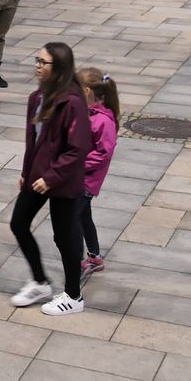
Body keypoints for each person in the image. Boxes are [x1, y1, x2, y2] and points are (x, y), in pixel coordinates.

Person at [8, 42, 92, 316]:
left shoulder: (72, 102)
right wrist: (25, 170)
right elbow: (32, 140)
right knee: (19, 223)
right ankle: (41, 282)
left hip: (62, 181)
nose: (37, 65)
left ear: (59, 68)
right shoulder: (37, 97)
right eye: (37, 60)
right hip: (37, 176)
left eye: (43, 62)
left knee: (65, 237)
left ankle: (73, 296)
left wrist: (52, 177)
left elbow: (77, 148)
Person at [75, 67, 120, 276]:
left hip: (86, 181)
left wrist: (77, 163)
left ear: (86, 91)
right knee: (84, 217)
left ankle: (74, 262)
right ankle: (95, 257)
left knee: (71, 221)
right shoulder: (88, 113)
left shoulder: (103, 120)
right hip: (77, 177)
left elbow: (103, 153)